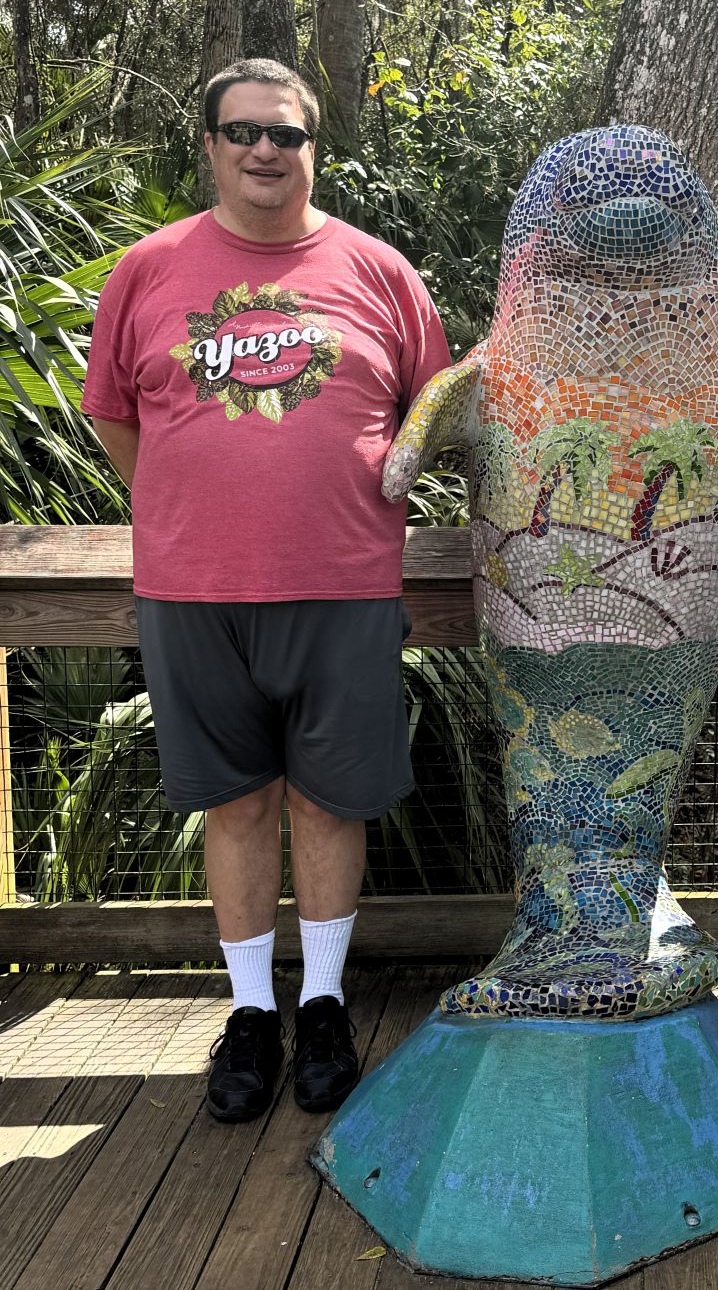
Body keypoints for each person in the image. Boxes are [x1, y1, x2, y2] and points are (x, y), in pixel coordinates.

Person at [82, 59, 450, 1122]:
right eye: (242, 131)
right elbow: (113, 412)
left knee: (331, 801)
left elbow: (433, 412)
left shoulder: (380, 272)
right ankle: (251, 1012)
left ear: (312, 150)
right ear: (209, 144)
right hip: (193, 590)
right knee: (235, 802)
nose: (264, 150)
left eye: (285, 134)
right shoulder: (147, 270)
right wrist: (191, 504)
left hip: (344, 586)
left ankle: (324, 1002)